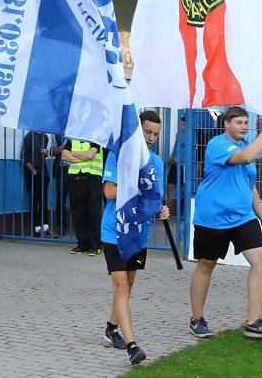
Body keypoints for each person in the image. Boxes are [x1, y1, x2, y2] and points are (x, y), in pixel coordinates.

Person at [189, 106, 262, 341]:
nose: (243, 127)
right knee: (206, 264)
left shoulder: (245, 145)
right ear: (227, 124)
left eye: (245, 123)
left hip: (242, 217)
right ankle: (197, 318)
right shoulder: (218, 145)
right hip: (213, 217)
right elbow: (247, 158)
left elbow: (248, 184)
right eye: (239, 122)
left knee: (261, 259)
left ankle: (253, 322)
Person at [101, 110, 169, 365]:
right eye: (147, 132)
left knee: (128, 284)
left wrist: (162, 209)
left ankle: (111, 327)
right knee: (120, 285)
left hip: (138, 235)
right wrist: (142, 195)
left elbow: (156, 198)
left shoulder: (156, 163)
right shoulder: (117, 155)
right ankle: (132, 345)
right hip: (114, 231)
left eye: (155, 134)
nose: (150, 137)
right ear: (137, 129)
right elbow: (109, 191)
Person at [63, 137, 104, 256]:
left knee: (93, 212)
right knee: (78, 212)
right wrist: (83, 156)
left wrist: (74, 154)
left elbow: (90, 155)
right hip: (76, 180)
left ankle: (96, 245)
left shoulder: (95, 138)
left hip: (93, 179)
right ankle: (82, 244)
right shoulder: (72, 140)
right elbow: (64, 156)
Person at [22, 130, 51, 238]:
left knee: (44, 199)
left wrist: (46, 154)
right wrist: (33, 170)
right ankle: (37, 228)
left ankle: (46, 227)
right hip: (32, 173)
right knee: (34, 200)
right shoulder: (30, 136)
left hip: (43, 172)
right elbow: (24, 156)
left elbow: (43, 155)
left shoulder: (45, 137)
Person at [166, 113, 187, 214]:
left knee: (184, 190)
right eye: (181, 124)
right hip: (174, 165)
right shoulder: (179, 134)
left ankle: (186, 214)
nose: (181, 126)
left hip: (183, 166)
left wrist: (179, 160)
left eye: (183, 124)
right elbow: (175, 147)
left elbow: (191, 153)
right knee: (169, 188)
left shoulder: (191, 136)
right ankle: (168, 213)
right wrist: (171, 157)